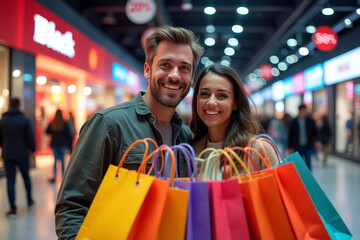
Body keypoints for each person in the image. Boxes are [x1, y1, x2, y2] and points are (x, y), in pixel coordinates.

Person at [55, 25, 204, 239]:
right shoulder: (108, 124)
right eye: (165, 65)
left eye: (184, 68)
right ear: (147, 69)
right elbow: (71, 207)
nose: (174, 75)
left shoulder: (187, 137)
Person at [190, 64, 279, 179]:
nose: (211, 102)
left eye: (222, 95)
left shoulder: (258, 150)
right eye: (204, 94)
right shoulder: (192, 149)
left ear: (235, 103)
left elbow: (277, 195)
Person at [0, 98, 36, 219]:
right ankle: (29, 200)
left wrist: (4, 147)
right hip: (22, 154)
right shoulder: (24, 120)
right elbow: (30, 137)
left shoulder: (3, 121)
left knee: (11, 181)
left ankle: (12, 209)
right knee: (26, 177)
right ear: (19, 105)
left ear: (9, 105)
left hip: (8, 154)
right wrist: (33, 150)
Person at [288, 104, 321, 171]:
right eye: (305, 110)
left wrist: (317, 140)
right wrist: (290, 147)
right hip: (297, 146)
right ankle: (300, 178)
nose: (306, 111)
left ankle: (308, 179)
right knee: (298, 164)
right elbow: (290, 135)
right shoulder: (294, 122)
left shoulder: (310, 121)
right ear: (301, 110)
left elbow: (315, 132)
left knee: (308, 163)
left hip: (308, 146)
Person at [46, 109, 73, 183]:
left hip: (54, 144)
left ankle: (54, 176)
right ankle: (63, 177)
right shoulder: (64, 123)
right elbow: (68, 134)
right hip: (63, 144)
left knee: (55, 160)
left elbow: (47, 131)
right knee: (62, 160)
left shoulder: (52, 123)